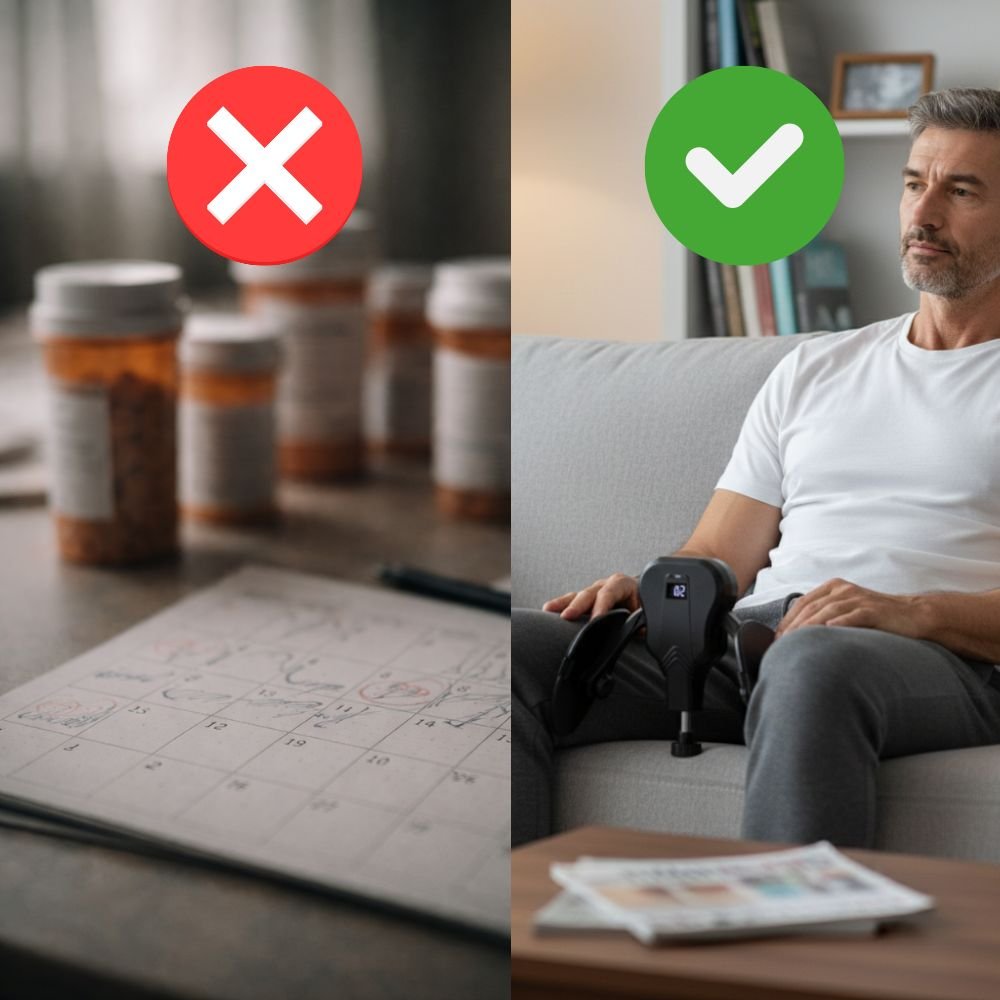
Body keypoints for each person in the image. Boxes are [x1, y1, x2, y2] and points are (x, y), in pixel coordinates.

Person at [512, 87, 1000, 850]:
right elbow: (715, 555)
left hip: (939, 662)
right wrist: (652, 589)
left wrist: (915, 611)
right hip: (752, 644)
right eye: (913, 182)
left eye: (961, 190)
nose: (923, 213)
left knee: (811, 666)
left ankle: (785, 952)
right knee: (512, 650)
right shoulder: (819, 367)